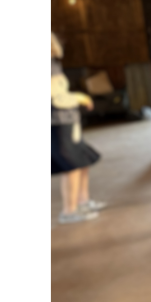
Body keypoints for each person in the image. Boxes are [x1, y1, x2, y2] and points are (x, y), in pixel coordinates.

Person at [51, 33, 105, 224]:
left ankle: (83, 201)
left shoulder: (53, 64)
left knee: (82, 161)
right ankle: (69, 210)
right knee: (71, 165)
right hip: (56, 123)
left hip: (68, 121)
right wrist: (80, 98)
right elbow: (55, 96)